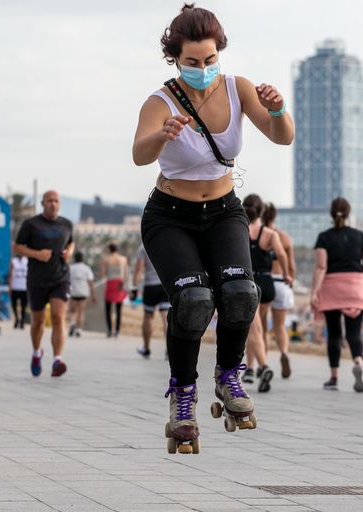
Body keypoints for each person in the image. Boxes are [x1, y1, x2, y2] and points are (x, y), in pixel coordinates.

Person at [132, 4, 294, 452]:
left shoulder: (238, 88)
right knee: (194, 300)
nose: (203, 68)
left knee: (242, 292)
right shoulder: (160, 102)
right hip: (170, 216)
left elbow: (283, 136)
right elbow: (139, 154)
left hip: (223, 211)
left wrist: (278, 109)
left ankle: (229, 375)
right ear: (175, 59)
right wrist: (162, 134)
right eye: (192, 61)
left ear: (219, 52)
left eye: (209, 59)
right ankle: (183, 398)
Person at [311, 197, 363, 392]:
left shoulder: (324, 237)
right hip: (356, 286)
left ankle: (334, 378)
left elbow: (321, 266)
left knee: (334, 334)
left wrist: (314, 292)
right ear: (348, 214)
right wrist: (355, 272)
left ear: (332, 214)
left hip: (332, 287)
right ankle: (358, 362)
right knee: (354, 333)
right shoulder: (360, 236)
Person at [15, 190, 74, 378]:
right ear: (43, 203)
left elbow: (71, 242)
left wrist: (69, 252)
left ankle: (57, 360)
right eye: (49, 201)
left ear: (60, 204)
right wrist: (37, 254)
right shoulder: (31, 224)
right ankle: (36, 352)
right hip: (37, 279)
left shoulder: (67, 224)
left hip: (60, 277)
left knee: (58, 317)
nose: (53, 204)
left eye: (56, 201)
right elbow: (18, 247)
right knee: (38, 321)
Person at [243, 194, 290, 393]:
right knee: (259, 327)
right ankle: (255, 367)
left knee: (253, 328)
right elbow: (281, 254)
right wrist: (286, 274)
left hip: (249, 282)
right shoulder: (270, 234)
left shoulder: (240, 230)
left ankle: (255, 367)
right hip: (267, 283)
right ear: (261, 211)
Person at [262, 203, 296, 379]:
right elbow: (291, 266)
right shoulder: (284, 237)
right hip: (282, 281)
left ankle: (264, 362)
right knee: (280, 326)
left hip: (265, 282)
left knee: (262, 327)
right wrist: (291, 281)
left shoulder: (261, 236)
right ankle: (284, 352)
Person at [132, 244, 169, 357]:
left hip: (150, 286)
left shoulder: (144, 246)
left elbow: (139, 269)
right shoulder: (167, 242)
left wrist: (134, 287)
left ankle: (146, 348)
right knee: (166, 317)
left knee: (148, 316)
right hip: (165, 284)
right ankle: (170, 350)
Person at [101, 242, 128, 338]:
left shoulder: (106, 259)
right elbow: (125, 273)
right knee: (119, 310)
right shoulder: (123, 259)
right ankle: (117, 331)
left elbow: (103, 273)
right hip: (120, 283)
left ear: (109, 250)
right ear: (117, 249)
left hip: (110, 283)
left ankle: (109, 330)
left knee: (108, 308)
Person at [69, 251, 96, 337]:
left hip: (73, 292)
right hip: (83, 292)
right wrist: (93, 294)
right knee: (81, 312)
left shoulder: (71, 268)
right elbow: (90, 282)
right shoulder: (86, 268)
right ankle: (79, 329)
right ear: (82, 259)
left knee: (73, 311)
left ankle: (72, 323)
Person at [9, 253, 29, 329]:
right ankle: (17, 318)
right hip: (15, 286)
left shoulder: (26, 261)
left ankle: (22, 321)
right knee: (14, 304)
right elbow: (10, 274)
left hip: (24, 287)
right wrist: (10, 286)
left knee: (24, 305)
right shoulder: (13, 261)